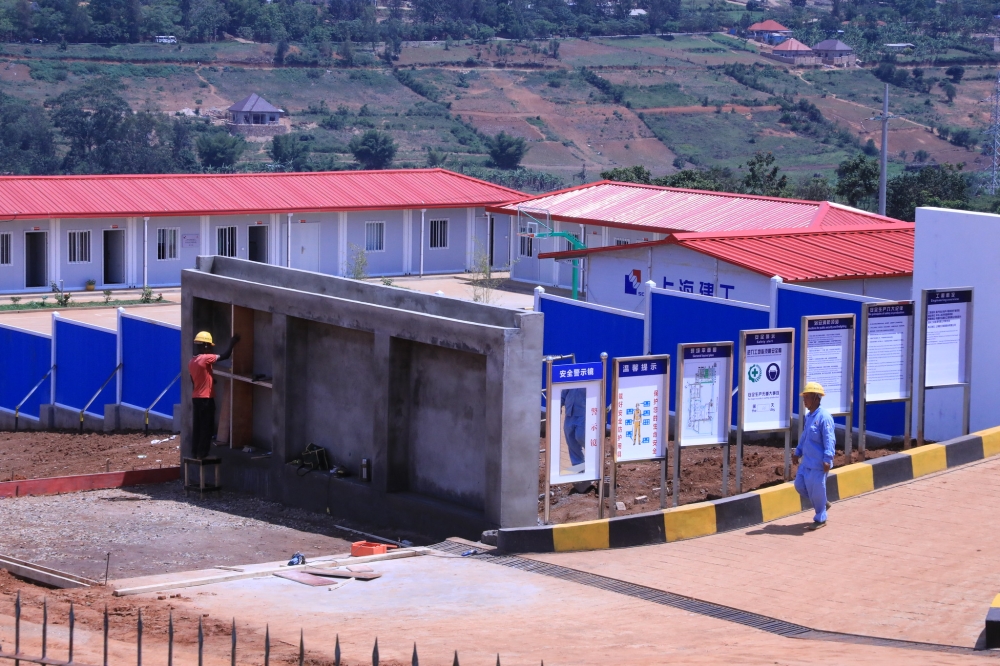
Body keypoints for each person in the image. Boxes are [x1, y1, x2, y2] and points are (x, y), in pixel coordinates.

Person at [189, 331, 240, 460]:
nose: (211, 348)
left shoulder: (192, 361)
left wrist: (211, 381)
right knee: (207, 426)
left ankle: (195, 452)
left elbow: (194, 380)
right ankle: (203, 453)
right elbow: (225, 356)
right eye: (210, 346)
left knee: (198, 426)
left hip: (196, 397)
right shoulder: (206, 358)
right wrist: (232, 343)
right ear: (205, 346)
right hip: (206, 399)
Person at [792, 381, 835, 530]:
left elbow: (829, 439)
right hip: (806, 462)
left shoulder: (824, 417)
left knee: (817, 489)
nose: (804, 400)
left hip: (818, 463)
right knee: (799, 485)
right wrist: (798, 451)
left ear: (816, 398)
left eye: (807, 397)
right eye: (804, 397)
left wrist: (828, 458)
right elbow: (805, 436)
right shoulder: (809, 416)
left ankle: (820, 517)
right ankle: (822, 502)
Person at [561, 387, 587, 474]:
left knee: (581, 436)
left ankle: (595, 460)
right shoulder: (571, 376)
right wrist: (559, 404)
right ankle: (579, 468)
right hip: (569, 414)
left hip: (584, 413)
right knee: (571, 441)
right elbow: (564, 392)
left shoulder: (590, 376)